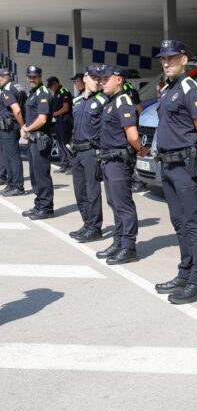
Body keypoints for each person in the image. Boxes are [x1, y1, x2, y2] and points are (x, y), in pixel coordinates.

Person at [152, 40, 197, 305]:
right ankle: (185, 271)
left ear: (184, 59)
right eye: (164, 59)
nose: (167, 63)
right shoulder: (168, 89)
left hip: (185, 166)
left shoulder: (191, 89)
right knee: (179, 222)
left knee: (193, 222)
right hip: (168, 165)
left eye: (172, 58)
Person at [93, 65, 145, 264]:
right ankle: (118, 241)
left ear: (119, 80)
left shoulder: (123, 101)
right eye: (101, 79)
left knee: (123, 205)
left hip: (118, 160)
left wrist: (140, 149)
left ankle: (128, 246)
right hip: (108, 159)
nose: (102, 82)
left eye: (106, 79)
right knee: (114, 203)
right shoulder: (111, 101)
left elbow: (132, 135)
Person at [68, 65, 107, 243]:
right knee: (79, 191)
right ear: (85, 79)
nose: (97, 81)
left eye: (99, 78)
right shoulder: (76, 102)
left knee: (93, 192)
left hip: (92, 151)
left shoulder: (103, 101)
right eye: (93, 78)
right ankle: (87, 223)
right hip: (77, 151)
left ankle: (95, 228)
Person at [20, 66, 55, 219]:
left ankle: (46, 208)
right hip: (33, 138)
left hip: (41, 138)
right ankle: (39, 205)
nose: (32, 79)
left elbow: (42, 119)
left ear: (41, 77)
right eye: (30, 77)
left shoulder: (43, 93)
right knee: (34, 174)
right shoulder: (32, 93)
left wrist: (27, 129)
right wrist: (25, 128)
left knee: (42, 174)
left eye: (35, 77)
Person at [0, 68, 27, 197]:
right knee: (8, 156)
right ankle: (11, 184)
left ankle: (18, 186)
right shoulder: (17, 86)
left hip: (10, 127)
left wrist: (23, 126)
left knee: (12, 156)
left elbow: (16, 110)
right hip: (11, 126)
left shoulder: (7, 89)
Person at [122, 69, 148, 194]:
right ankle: (132, 180)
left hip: (132, 128)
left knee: (133, 156)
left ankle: (139, 182)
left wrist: (141, 127)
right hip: (123, 130)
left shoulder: (128, 89)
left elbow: (139, 108)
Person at [46, 76, 74, 174]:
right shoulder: (56, 93)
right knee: (59, 143)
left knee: (65, 143)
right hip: (58, 121)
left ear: (56, 83)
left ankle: (72, 165)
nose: (50, 88)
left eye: (51, 86)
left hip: (65, 121)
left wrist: (53, 114)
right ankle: (64, 164)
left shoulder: (64, 91)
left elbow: (66, 108)